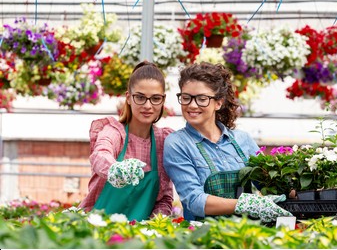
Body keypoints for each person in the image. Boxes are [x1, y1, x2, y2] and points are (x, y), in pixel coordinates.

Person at [163, 62, 292, 222]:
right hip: (203, 238)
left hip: (247, 234)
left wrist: (297, 188)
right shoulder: (177, 143)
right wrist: (248, 204)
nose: (192, 105)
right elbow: (194, 201)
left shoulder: (242, 140)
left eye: (202, 99)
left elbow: (269, 186)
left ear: (219, 102)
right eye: (186, 97)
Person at [79, 61, 174, 221]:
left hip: (138, 236)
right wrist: (115, 170)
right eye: (140, 97)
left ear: (163, 100)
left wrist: (152, 225)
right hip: (98, 229)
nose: (148, 105)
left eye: (155, 98)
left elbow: (164, 199)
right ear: (128, 98)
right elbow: (100, 154)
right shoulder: (115, 132)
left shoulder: (163, 142)